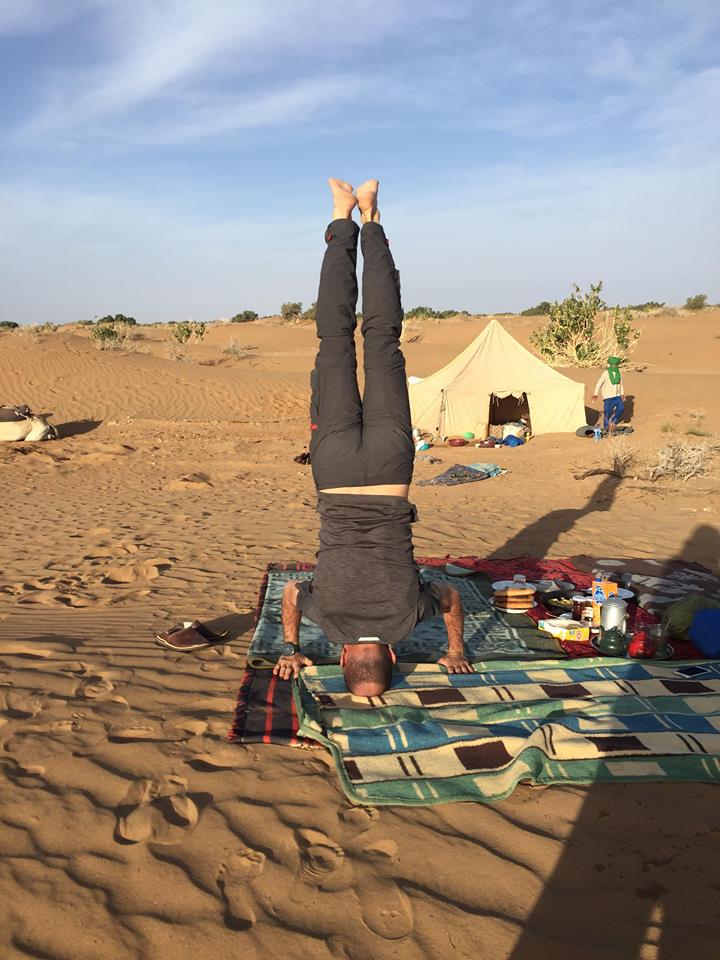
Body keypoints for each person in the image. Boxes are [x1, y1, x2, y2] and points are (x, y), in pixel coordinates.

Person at [273, 178, 473, 696]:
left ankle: (373, 220)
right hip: (335, 469)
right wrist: (292, 647)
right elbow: (292, 593)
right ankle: (342, 215)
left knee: (383, 337)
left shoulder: (405, 623)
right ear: (344, 656)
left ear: (388, 654)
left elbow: (450, 594)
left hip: (389, 467)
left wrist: (454, 648)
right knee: (333, 339)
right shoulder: (331, 624)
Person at [592, 356, 625, 433]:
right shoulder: (606, 373)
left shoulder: (619, 372)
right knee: (607, 412)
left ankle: (613, 421)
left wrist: (622, 393)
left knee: (621, 407)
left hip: (617, 395)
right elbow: (599, 383)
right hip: (608, 396)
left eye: (616, 365)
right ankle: (606, 428)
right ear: (610, 365)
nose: (614, 366)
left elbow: (621, 383)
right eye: (613, 364)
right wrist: (595, 394)